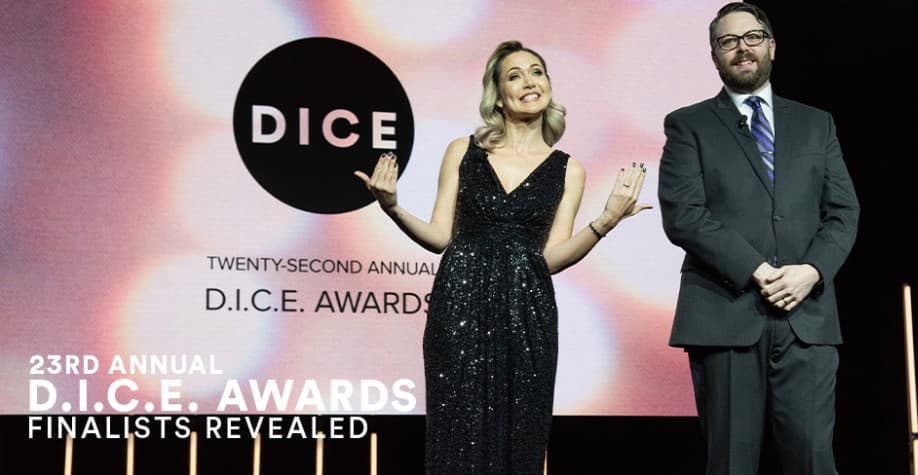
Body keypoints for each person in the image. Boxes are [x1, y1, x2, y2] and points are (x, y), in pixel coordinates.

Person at [356, 40, 650, 474]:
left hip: (527, 312)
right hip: (459, 307)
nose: (529, 81)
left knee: (520, 437)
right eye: (515, 75)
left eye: (537, 71)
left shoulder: (569, 169)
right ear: (498, 95)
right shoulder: (462, 151)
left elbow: (551, 258)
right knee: (456, 437)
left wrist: (606, 220)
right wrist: (392, 207)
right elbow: (439, 237)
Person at [658, 3, 859, 474]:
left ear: (771, 45)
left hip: (806, 318)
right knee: (731, 463)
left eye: (752, 37)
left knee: (813, 461)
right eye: (728, 41)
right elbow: (683, 215)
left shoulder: (817, 123)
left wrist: (811, 271)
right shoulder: (688, 124)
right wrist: (757, 270)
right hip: (725, 313)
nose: (742, 48)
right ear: (714, 55)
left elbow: (843, 212)